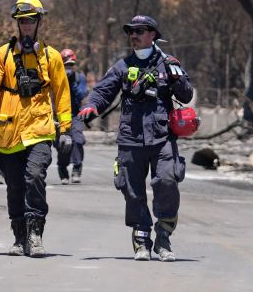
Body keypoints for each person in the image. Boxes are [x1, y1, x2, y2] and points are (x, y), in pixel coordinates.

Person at [77, 15, 193, 262]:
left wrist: (177, 76)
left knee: (167, 180)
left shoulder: (167, 63)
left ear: (153, 34)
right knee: (132, 190)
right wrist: (92, 106)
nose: (134, 36)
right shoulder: (122, 65)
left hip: (162, 137)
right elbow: (103, 91)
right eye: (131, 31)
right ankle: (141, 240)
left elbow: (186, 95)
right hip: (130, 138)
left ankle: (164, 237)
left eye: (140, 31)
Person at [0, 0, 72, 258]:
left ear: (39, 22)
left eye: (31, 21)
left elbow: (62, 94)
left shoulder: (51, 57)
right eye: (23, 21)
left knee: (34, 177)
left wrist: (65, 129)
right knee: (15, 188)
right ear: (17, 24)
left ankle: (35, 235)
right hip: (9, 134)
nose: (27, 26)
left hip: (40, 130)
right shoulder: (2, 55)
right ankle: (19, 237)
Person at [55, 49, 88, 185]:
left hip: (75, 114)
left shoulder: (80, 78)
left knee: (78, 140)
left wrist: (72, 83)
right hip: (59, 115)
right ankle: (63, 170)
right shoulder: (55, 77)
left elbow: (81, 95)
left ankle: (76, 168)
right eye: (66, 65)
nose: (68, 68)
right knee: (63, 143)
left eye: (71, 65)